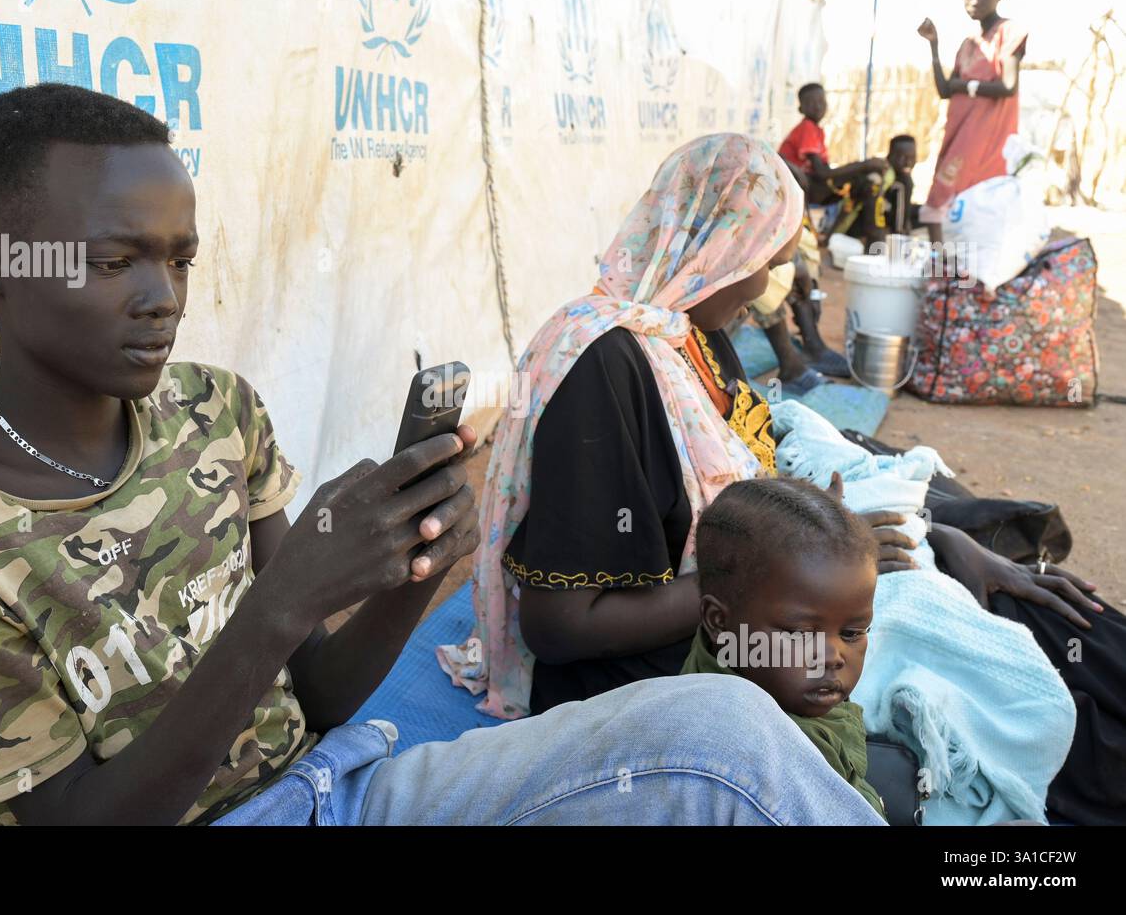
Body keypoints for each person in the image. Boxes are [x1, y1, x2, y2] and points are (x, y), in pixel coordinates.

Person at [0, 84, 886, 827]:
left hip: (341, 786)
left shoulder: (214, 412)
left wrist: (405, 571)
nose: (161, 297)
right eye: (115, 261)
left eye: (180, 259)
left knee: (721, 724)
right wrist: (281, 604)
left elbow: (320, 701)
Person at [439, 132, 1125, 826]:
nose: (767, 284)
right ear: (717, 246)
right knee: (1016, 665)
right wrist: (773, 572)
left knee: (1026, 610)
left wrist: (920, 538)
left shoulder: (687, 336)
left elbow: (752, 483)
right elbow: (559, 627)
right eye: (764, 259)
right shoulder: (602, 366)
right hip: (669, 668)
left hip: (766, 603)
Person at [680, 476, 884, 818]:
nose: (832, 658)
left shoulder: (750, 664)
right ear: (718, 621)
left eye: (852, 633)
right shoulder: (768, 763)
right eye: (801, 634)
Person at [917, 0, 1027, 243]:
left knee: (955, 200)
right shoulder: (968, 44)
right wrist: (933, 45)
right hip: (959, 130)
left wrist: (966, 86)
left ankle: (953, 272)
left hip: (985, 134)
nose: (974, 1)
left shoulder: (1009, 32)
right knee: (943, 204)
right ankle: (942, 268)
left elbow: (1007, 86)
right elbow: (945, 90)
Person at [778, 83, 888, 208]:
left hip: (809, 184)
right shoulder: (807, 127)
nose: (818, 106)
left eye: (821, 101)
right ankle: (856, 225)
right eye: (811, 103)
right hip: (802, 186)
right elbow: (822, 173)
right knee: (865, 180)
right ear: (801, 109)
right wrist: (864, 165)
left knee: (864, 177)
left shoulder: (815, 130)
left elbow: (825, 170)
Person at [833, 134, 920, 249]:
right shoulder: (896, 181)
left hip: (854, 227)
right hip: (860, 231)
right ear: (890, 155)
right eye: (902, 157)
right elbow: (898, 223)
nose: (908, 162)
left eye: (912, 157)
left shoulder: (887, 172)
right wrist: (899, 237)